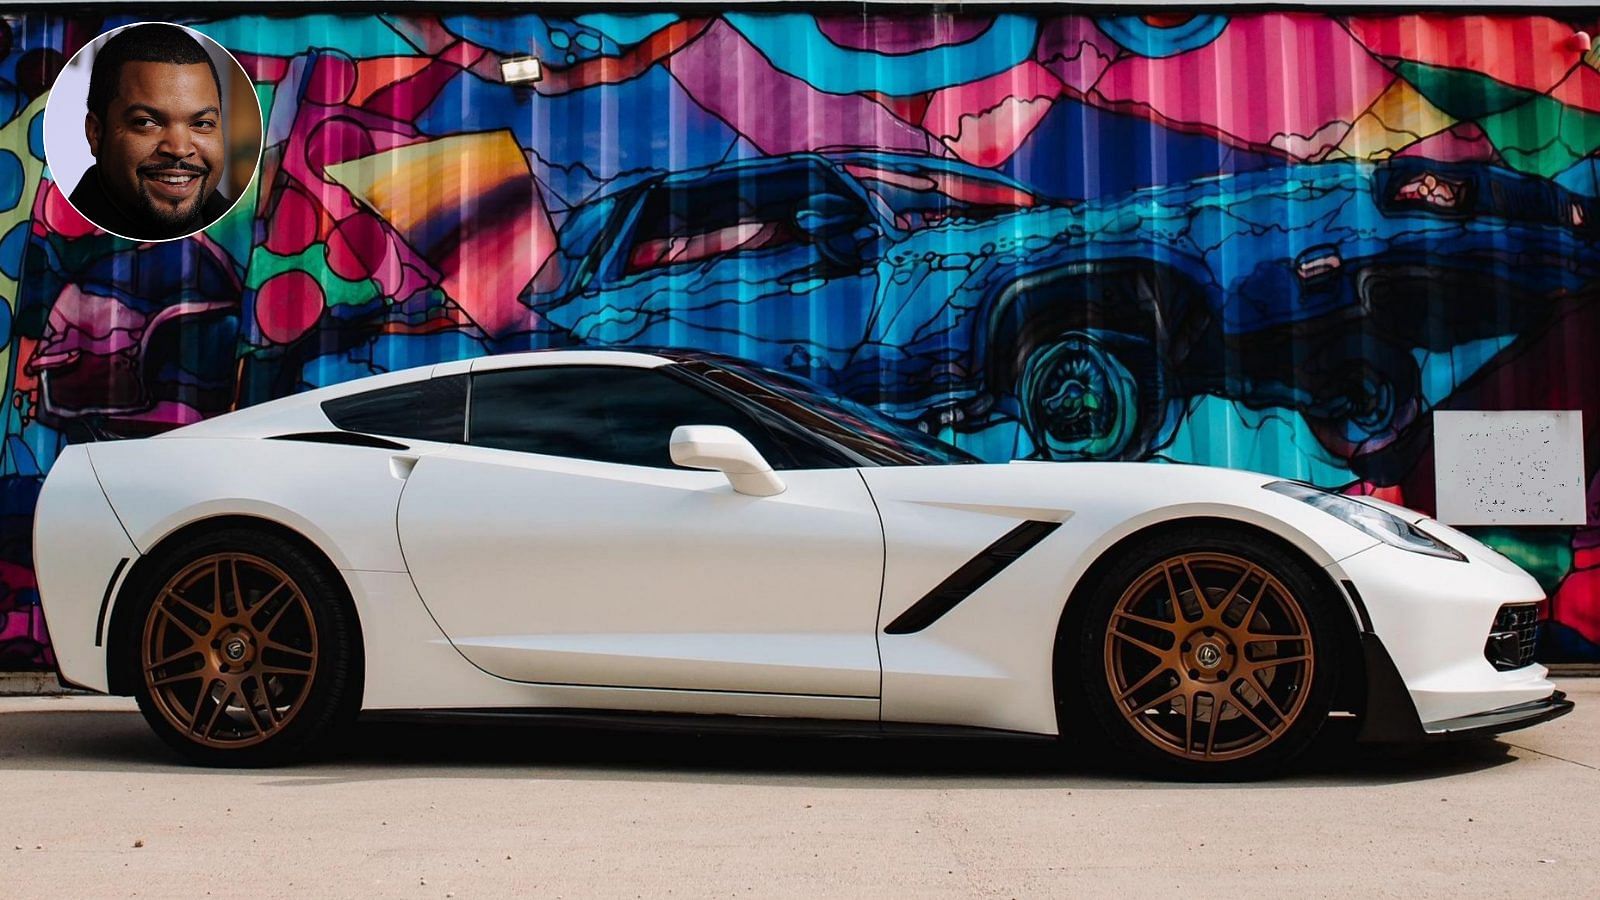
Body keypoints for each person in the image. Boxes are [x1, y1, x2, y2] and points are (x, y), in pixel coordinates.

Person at [68, 24, 233, 240]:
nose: (179, 149)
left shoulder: (253, 246)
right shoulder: (45, 245)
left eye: (201, 124)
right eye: (146, 123)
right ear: (96, 133)